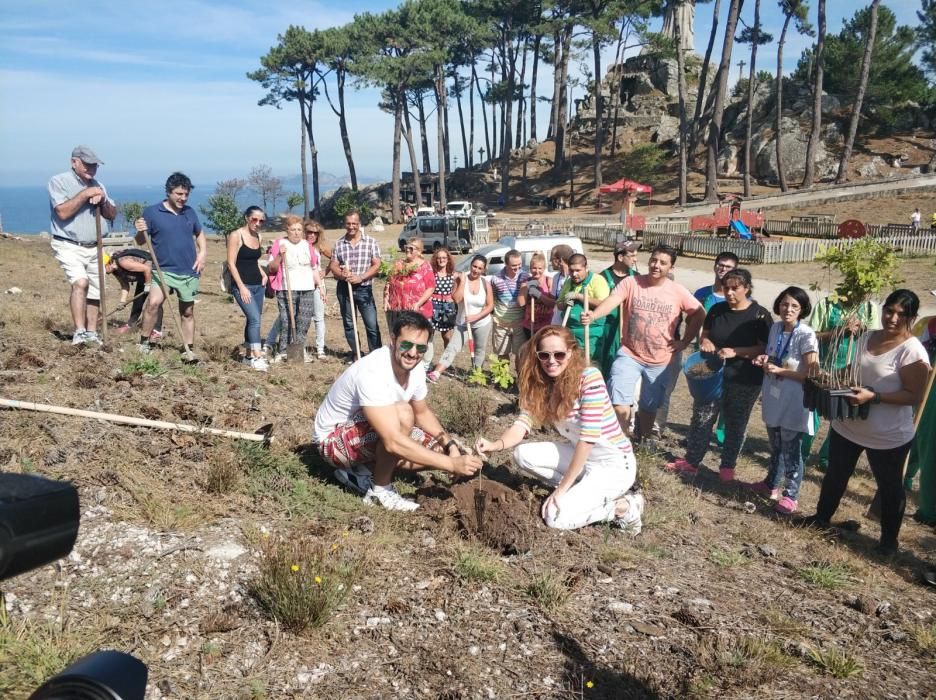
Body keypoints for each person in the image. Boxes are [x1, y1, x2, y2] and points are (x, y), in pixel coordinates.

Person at [475, 326, 644, 532]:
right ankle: (582, 491)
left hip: (613, 464)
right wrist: (495, 445)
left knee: (555, 518)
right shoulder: (542, 385)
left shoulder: (589, 378)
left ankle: (624, 508)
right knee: (522, 455)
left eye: (559, 354)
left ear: (571, 353)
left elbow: (588, 439)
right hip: (581, 459)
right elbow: (522, 424)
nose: (551, 361)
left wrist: (562, 489)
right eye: (544, 355)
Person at [802, 290, 931, 555]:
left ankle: (887, 543)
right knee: (836, 474)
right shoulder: (867, 337)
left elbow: (914, 396)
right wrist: (827, 376)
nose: (893, 318)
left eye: (901, 314)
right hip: (849, 424)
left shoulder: (912, 351)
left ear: (912, 317)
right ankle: (821, 519)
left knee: (889, 486)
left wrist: (875, 396)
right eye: (889, 310)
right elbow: (853, 370)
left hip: (887, 436)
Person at [313, 311, 483, 511]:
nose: (413, 353)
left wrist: (450, 447)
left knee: (436, 449)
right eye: (406, 344)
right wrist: (451, 465)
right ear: (393, 340)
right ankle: (379, 491)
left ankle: (361, 473)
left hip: (369, 431)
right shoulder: (373, 370)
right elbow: (393, 440)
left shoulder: (415, 368)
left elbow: (422, 413)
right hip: (333, 442)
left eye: (420, 347)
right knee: (403, 414)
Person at [582, 245, 704, 441]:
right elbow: (613, 300)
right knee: (619, 400)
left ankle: (644, 440)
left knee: (649, 406)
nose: (656, 265)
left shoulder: (677, 291)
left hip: (660, 361)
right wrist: (594, 314)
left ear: (671, 268)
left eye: (663, 263)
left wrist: (685, 342)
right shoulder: (632, 283)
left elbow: (698, 314)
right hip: (630, 353)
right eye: (653, 260)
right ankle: (620, 441)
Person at [665, 269, 771, 481]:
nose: (730, 293)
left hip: (745, 378)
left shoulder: (760, 315)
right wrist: (706, 341)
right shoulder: (717, 310)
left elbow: (764, 348)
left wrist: (736, 352)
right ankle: (692, 462)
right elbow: (706, 332)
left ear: (747, 288)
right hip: (712, 374)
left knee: (736, 422)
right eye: (726, 288)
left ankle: (727, 467)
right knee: (702, 418)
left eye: (735, 288)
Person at [747, 287, 819, 513]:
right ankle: (771, 484)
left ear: (802, 310)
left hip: (794, 399)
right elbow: (775, 354)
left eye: (795, 306)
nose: (788, 309)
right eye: (785, 304)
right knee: (775, 442)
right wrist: (764, 358)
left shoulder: (806, 335)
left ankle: (791, 495)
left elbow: (811, 373)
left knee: (791, 447)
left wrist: (780, 371)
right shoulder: (776, 328)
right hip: (773, 394)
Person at [49, 145, 117, 345]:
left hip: (95, 246)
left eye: (94, 165)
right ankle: (79, 332)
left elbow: (112, 214)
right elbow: (62, 212)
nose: (92, 169)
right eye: (87, 164)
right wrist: (86, 194)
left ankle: (92, 332)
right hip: (69, 244)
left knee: (96, 290)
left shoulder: (98, 185)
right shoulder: (59, 182)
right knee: (81, 283)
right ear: (74, 162)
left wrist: (102, 199)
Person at [805, 290, 880, 469]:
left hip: (850, 373)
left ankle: (827, 457)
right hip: (823, 368)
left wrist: (862, 329)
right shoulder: (827, 304)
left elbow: (874, 338)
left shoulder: (869, 308)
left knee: (841, 414)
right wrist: (836, 332)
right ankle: (801, 453)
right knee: (811, 413)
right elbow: (811, 335)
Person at [134, 172, 207, 356]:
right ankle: (144, 342)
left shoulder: (190, 212)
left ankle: (187, 349)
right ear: (168, 192)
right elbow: (141, 241)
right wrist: (140, 230)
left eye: (186, 194)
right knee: (153, 303)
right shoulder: (152, 212)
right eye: (179, 194)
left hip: (188, 270)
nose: (183, 198)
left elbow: (199, 234)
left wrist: (203, 253)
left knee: (187, 311)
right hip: (163, 269)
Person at [428, 254, 494, 382]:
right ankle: (436, 372)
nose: (476, 270)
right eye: (474, 266)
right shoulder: (460, 280)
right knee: (452, 347)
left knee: (479, 349)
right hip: (462, 323)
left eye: (480, 268)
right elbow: (456, 299)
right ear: (470, 265)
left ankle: (476, 375)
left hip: (482, 323)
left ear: (484, 270)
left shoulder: (485, 283)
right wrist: (463, 282)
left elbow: (490, 306)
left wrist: (476, 316)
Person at [267, 215, 324, 363]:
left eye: (299, 229)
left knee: (303, 321)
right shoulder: (280, 243)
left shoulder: (307, 245)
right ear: (287, 229)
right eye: (293, 229)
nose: (297, 232)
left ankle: (300, 350)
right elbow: (272, 268)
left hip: (307, 288)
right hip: (286, 288)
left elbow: (313, 268)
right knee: (286, 321)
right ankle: (282, 351)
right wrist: (280, 254)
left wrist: (320, 287)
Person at [330, 211, 382, 357]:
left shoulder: (370, 242)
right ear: (344, 224)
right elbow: (333, 265)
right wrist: (341, 274)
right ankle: (356, 353)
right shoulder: (339, 244)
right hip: (344, 289)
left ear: (359, 224)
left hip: (364, 289)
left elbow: (377, 264)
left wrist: (361, 277)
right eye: (348, 223)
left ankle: (375, 355)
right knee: (349, 324)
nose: (351, 226)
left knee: (371, 324)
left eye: (354, 223)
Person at [225, 206, 269, 371]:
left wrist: (263, 274)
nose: (258, 223)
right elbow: (231, 263)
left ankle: (249, 355)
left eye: (261, 221)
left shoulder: (259, 236)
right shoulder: (236, 235)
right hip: (243, 285)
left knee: (253, 319)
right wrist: (241, 287)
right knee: (255, 319)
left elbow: (254, 261)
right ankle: (257, 357)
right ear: (246, 218)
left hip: (258, 284)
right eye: (254, 219)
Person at [904, 314, 936, 525]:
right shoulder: (926, 323)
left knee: (931, 446)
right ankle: (904, 478)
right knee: (915, 433)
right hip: (922, 386)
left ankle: (929, 510)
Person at [596, 241, 640, 378]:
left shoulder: (638, 278)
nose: (635, 259)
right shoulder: (602, 277)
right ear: (620, 257)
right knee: (609, 362)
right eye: (632, 255)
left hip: (631, 328)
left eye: (636, 255)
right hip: (609, 329)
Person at [384, 238, 435, 350]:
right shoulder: (398, 264)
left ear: (420, 251)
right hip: (397, 309)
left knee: (419, 340)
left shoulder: (425, 267)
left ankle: (424, 365)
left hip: (417, 310)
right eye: (406, 247)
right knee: (399, 339)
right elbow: (389, 282)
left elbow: (430, 288)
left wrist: (418, 303)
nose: (408, 250)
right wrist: (386, 300)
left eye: (411, 248)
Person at [557, 254, 610, 361]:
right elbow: (559, 305)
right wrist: (565, 302)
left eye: (578, 270)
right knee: (572, 364)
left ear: (586, 268)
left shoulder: (597, 281)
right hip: (571, 332)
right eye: (571, 271)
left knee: (590, 363)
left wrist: (580, 297)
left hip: (591, 332)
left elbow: (604, 304)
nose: (574, 274)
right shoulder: (568, 283)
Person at [103, 248, 162, 337]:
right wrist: (122, 302)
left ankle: (156, 330)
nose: (103, 272)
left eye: (103, 268)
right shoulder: (115, 271)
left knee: (155, 302)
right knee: (138, 300)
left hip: (153, 272)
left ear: (108, 263)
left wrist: (148, 285)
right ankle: (131, 324)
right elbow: (125, 285)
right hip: (143, 277)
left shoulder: (123, 262)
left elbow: (146, 269)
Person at [490, 249, 530, 369]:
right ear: (506, 264)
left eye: (519, 264)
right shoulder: (496, 279)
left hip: (520, 323)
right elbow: (494, 297)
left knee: (520, 355)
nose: (517, 268)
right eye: (513, 265)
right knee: (502, 354)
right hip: (501, 323)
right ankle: (504, 379)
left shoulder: (525, 277)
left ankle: (520, 380)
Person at [429, 247, 460, 356]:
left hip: (448, 307)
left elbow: (455, 292)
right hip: (433, 306)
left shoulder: (454, 275)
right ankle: (426, 361)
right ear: (435, 260)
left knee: (447, 336)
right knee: (429, 335)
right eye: (439, 258)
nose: (441, 260)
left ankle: (447, 361)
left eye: (444, 258)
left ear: (448, 259)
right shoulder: (432, 274)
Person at [518, 252, 554, 339]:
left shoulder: (549, 281)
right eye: (534, 268)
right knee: (531, 351)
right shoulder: (525, 282)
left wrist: (539, 294)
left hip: (546, 325)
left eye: (540, 268)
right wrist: (528, 286)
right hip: (530, 325)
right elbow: (521, 303)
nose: (537, 271)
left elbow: (553, 304)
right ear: (530, 268)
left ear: (544, 268)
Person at [547, 245, 574, 324]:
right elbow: (553, 301)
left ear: (560, 260)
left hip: (569, 321)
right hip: (557, 321)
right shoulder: (556, 277)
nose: (550, 261)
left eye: (552, 258)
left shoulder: (573, 278)